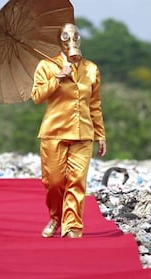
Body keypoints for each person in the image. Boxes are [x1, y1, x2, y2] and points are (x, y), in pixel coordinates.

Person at [31, 23, 107, 238]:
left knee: (77, 181)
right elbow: (36, 96)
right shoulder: (46, 66)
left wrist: (100, 134)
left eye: (75, 36)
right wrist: (57, 78)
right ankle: (56, 217)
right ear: (59, 40)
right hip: (54, 132)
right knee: (54, 182)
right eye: (66, 36)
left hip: (83, 133)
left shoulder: (91, 69)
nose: (71, 40)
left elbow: (95, 104)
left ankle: (72, 226)